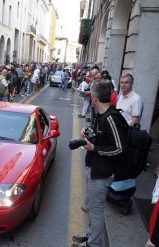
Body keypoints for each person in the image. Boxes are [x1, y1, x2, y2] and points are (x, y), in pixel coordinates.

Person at [72, 82, 127, 247]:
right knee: (90, 207)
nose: (89, 97)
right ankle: (91, 236)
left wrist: (94, 148)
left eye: (90, 95)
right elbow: (104, 139)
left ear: (95, 99)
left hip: (102, 173)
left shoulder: (111, 118)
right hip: (94, 169)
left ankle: (93, 244)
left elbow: (119, 148)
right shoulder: (101, 116)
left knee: (96, 211)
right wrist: (89, 134)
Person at [106, 73, 143, 215]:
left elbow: (135, 121)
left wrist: (121, 126)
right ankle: (114, 193)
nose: (123, 85)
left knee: (124, 168)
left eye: (126, 82)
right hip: (118, 135)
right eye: (121, 82)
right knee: (115, 166)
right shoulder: (120, 97)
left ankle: (124, 198)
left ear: (131, 84)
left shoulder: (136, 99)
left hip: (127, 138)